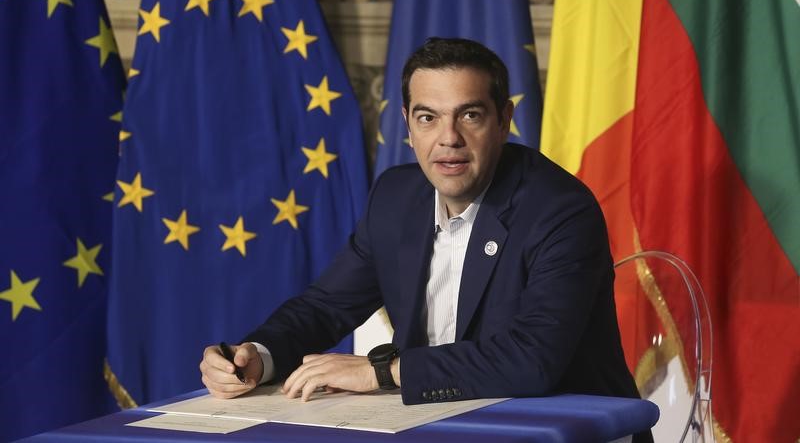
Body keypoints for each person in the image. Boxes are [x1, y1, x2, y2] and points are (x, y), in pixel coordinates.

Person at [199, 38, 641, 410]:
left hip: (565, 427)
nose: (449, 138)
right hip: (438, 423)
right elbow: (325, 306)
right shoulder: (396, 197)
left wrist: (381, 372)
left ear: (504, 120)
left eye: (470, 115)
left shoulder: (560, 211)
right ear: (408, 127)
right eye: (428, 118)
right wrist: (255, 357)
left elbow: (533, 360)